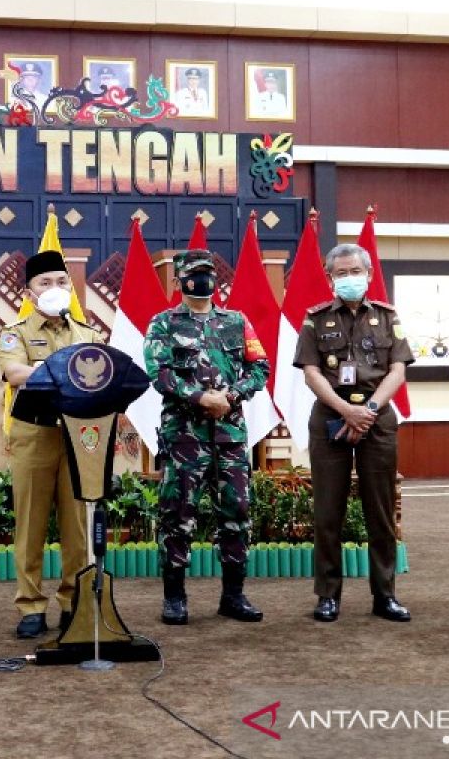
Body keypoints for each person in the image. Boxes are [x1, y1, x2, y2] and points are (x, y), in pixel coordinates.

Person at [144, 249, 269, 626]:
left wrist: (228, 397)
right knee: (176, 515)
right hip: (184, 438)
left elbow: (259, 366)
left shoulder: (237, 321)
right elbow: (158, 372)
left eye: (208, 273)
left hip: (229, 436)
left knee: (237, 514)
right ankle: (175, 598)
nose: (203, 280)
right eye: (194, 274)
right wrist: (200, 398)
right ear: (179, 280)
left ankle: (233, 596)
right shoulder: (163, 324)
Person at [294, 244, 413, 624]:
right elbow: (312, 373)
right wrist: (347, 410)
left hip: (377, 420)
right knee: (328, 512)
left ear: (369, 274)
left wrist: (370, 410)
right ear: (330, 278)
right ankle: (327, 596)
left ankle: (385, 595)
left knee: (379, 512)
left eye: (354, 271)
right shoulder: (314, 320)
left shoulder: (387, 317)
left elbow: (397, 370)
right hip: (331, 417)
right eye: (340, 273)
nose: (348, 279)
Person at [0, 251, 100, 638]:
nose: (54, 289)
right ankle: (30, 606)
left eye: (60, 282)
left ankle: (73, 602)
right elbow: (13, 371)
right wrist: (61, 371)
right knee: (31, 524)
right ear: (28, 292)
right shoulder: (16, 332)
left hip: (78, 438)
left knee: (76, 529)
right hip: (34, 436)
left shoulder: (87, 333)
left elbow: (103, 372)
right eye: (44, 283)